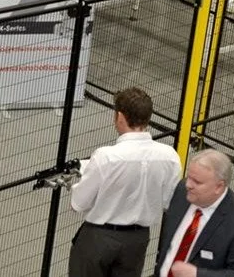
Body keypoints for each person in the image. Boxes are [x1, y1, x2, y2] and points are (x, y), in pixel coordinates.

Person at [69, 87, 182, 277]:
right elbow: (170, 201)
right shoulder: (169, 156)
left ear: (120, 117)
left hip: (99, 237)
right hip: (137, 240)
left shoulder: (105, 157)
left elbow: (78, 203)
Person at [155, 149, 234, 277]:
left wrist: (197, 274)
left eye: (197, 182)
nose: (188, 184)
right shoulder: (182, 191)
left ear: (219, 187)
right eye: (189, 177)